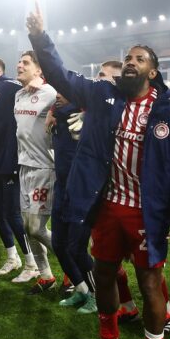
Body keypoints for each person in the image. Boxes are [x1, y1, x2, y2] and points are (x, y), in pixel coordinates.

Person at [27, 4, 170, 339]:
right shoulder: (102, 96)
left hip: (146, 213)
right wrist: (40, 36)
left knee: (149, 283)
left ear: (152, 71)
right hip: (107, 207)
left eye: (139, 59)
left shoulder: (169, 113)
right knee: (104, 274)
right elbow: (59, 75)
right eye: (128, 58)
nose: (130, 62)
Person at [0, 56, 34, 277]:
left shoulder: (8, 85)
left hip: (12, 160)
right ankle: (12, 258)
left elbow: (31, 85)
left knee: (13, 214)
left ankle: (32, 264)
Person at [14, 50, 59, 291]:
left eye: (25, 63)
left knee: (36, 227)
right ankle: (46, 276)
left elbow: (73, 97)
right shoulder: (19, 94)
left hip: (44, 166)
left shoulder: (50, 92)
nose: (19, 65)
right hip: (24, 165)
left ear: (39, 70)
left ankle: (75, 265)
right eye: (19, 62)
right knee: (27, 228)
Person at [50, 92, 97, 313]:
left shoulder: (87, 118)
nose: (57, 96)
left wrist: (88, 114)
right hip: (61, 188)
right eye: (56, 92)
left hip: (82, 191)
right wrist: (53, 112)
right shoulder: (59, 118)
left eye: (63, 92)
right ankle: (82, 289)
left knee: (76, 247)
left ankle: (97, 295)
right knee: (59, 244)